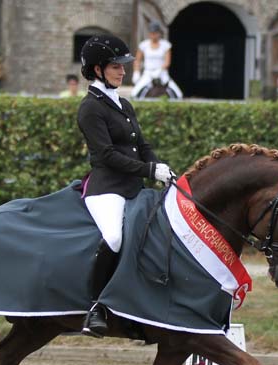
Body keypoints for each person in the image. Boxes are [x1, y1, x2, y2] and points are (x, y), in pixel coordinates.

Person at [77, 34, 174, 337]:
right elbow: (106, 155)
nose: (123, 71)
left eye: (123, 66)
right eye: (116, 66)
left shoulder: (123, 103)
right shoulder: (90, 108)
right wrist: (148, 170)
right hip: (106, 188)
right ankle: (95, 306)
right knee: (115, 237)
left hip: (133, 186)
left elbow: (142, 145)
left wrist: (160, 168)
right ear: (97, 70)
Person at [131, 21, 183, 98]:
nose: (153, 35)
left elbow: (167, 62)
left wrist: (159, 70)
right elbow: (137, 60)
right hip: (148, 73)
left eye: (155, 33)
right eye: (152, 33)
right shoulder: (144, 45)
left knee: (178, 94)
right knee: (134, 93)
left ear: (159, 33)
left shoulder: (165, 45)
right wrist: (136, 72)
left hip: (161, 73)